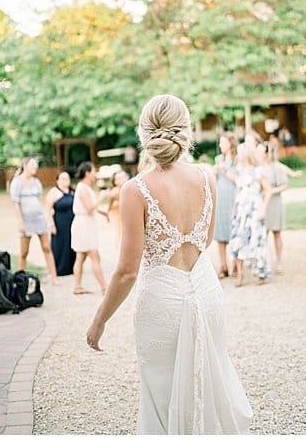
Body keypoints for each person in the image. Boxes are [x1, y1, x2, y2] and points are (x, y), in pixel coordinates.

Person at [86, 94, 252, 434]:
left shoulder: (135, 190)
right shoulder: (206, 176)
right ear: (187, 131)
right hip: (206, 293)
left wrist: (98, 321)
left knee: (162, 398)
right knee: (206, 384)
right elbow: (204, 241)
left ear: (144, 132)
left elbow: (127, 270)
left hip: (162, 302)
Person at [10, 157, 60, 285]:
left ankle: (54, 277)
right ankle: (21, 280)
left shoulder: (37, 182)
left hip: (39, 219)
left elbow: (38, 200)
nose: (35, 168)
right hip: (26, 221)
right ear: (25, 165)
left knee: (47, 247)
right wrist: (21, 221)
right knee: (24, 252)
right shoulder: (17, 182)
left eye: (36, 166)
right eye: (33, 165)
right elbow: (15, 203)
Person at [227, 144, 272, 285]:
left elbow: (268, 190)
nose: (238, 156)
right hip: (241, 210)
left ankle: (260, 271)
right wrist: (234, 209)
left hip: (254, 208)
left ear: (246, 155)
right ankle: (239, 274)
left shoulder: (258, 171)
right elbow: (238, 191)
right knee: (237, 240)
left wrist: (264, 209)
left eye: (240, 153)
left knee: (257, 240)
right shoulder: (239, 172)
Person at [257, 142, 302, 275]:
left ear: (266, 153)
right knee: (261, 234)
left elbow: (285, 185)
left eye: (259, 151)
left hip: (274, 204)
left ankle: (279, 262)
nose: (256, 153)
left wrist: (271, 191)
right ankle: (263, 262)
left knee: (276, 233)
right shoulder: (257, 167)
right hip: (260, 204)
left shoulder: (276, 167)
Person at [71, 162, 112, 294]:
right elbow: (89, 208)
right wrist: (101, 197)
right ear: (88, 173)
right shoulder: (83, 188)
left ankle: (77, 286)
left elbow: (90, 207)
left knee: (81, 256)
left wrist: (101, 212)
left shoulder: (85, 187)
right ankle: (104, 287)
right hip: (84, 225)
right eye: (94, 171)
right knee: (95, 256)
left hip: (85, 223)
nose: (95, 173)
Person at [211, 135, 239, 279]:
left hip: (233, 196)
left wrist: (224, 170)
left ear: (230, 143)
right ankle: (223, 266)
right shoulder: (217, 159)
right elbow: (214, 180)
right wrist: (215, 172)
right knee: (220, 233)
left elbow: (238, 180)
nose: (220, 144)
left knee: (234, 232)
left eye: (223, 142)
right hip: (220, 197)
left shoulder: (237, 159)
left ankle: (236, 265)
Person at [45, 171, 76, 276]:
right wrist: (52, 225)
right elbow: (48, 210)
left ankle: (72, 267)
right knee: (59, 245)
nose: (65, 180)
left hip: (72, 222)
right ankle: (58, 268)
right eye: (63, 178)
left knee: (71, 244)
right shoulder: (53, 192)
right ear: (57, 180)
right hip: (59, 222)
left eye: (67, 178)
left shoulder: (72, 191)